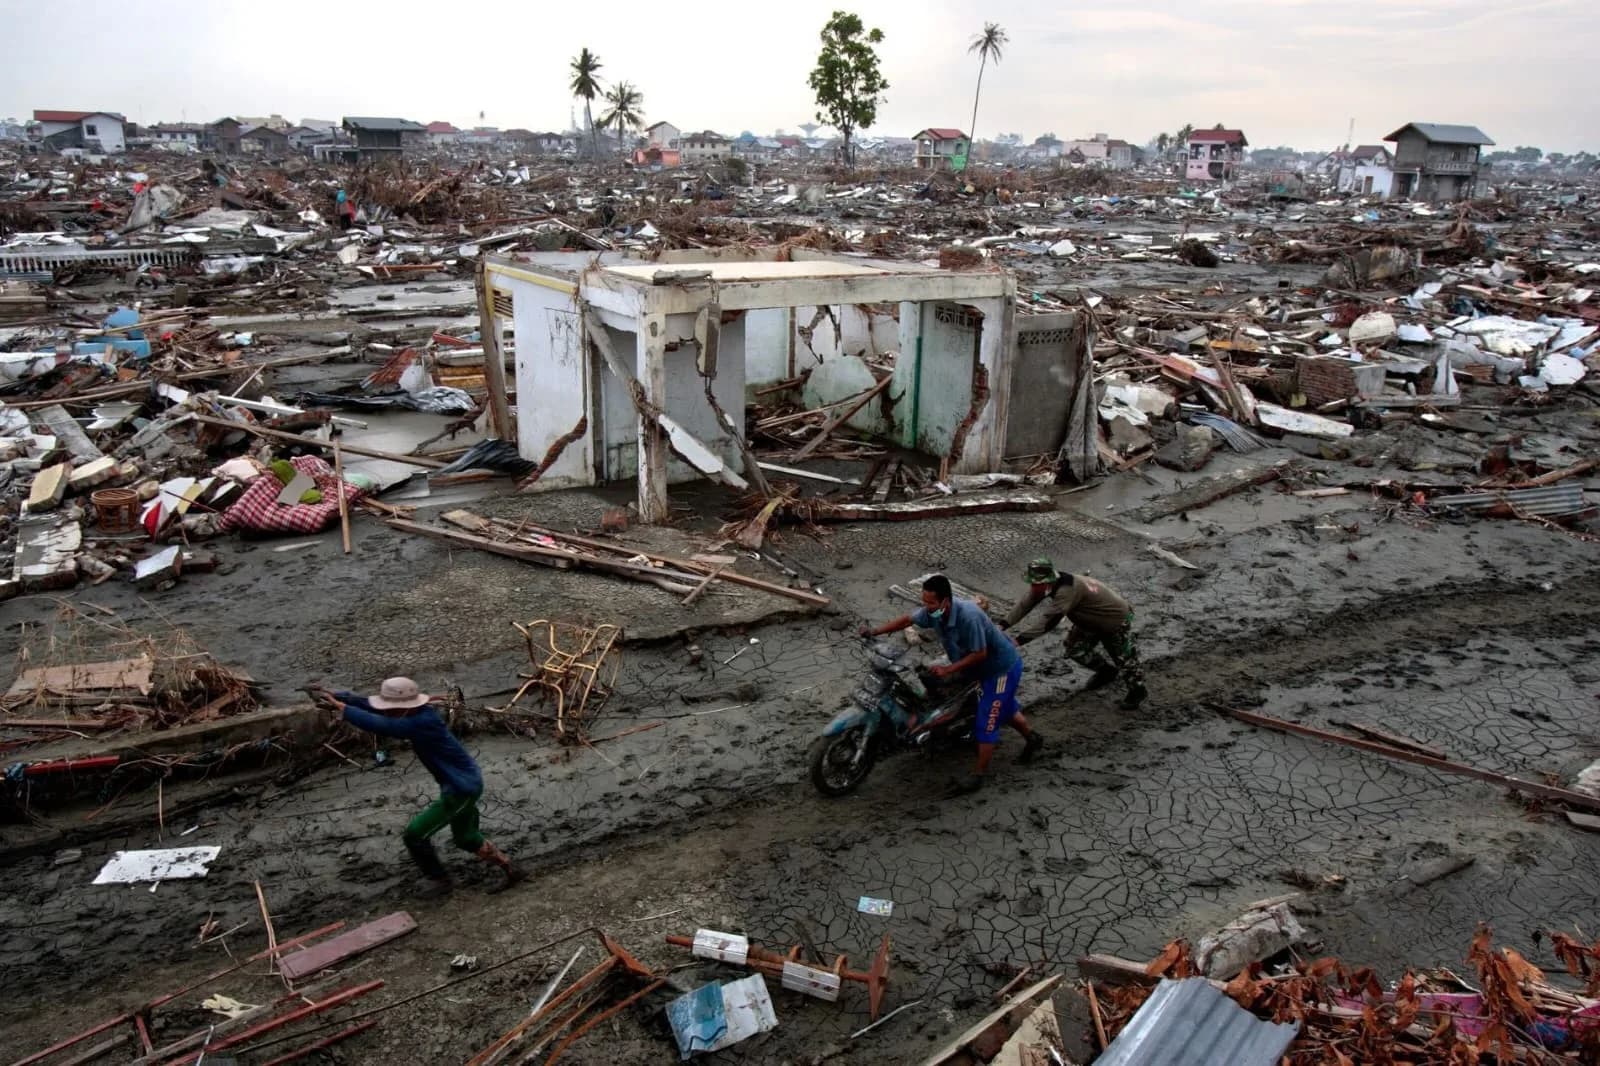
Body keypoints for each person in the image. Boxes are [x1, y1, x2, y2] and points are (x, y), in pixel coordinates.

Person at [312, 678, 525, 896]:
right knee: (465, 837)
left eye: (390, 707)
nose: (386, 710)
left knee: (414, 835)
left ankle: (439, 880)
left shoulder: (420, 722)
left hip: (460, 790)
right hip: (466, 781)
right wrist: (338, 696)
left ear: (401, 707)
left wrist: (342, 708)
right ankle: (510, 868)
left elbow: (381, 724)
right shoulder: (415, 713)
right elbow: (372, 706)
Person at [860, 574, 1042, 791]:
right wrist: (874, 631)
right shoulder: (934, 613)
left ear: (946, 601)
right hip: (971, 665)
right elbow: (908, 620)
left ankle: (977, 776)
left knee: (987, 720)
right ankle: (1032, 738)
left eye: (931, 602)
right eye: (924, 601)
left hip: (999, 670)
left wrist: (948, 669)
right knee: (1002, 706)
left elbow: (980, 653)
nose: (926, 607)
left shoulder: (969, 617)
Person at [1001, 558, 1147, 709]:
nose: (1032, 587)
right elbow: (1025, 604)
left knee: (1124, 658)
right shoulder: (1046, 586)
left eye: (1035, 583)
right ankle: (1107, 672)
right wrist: (1002, 625)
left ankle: (1137, 691)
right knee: (1075, 649)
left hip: (1114, 619)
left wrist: (1018, 641)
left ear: (1047, 581)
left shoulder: (1066, 590)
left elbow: (1048, 622)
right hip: (1089, 621)